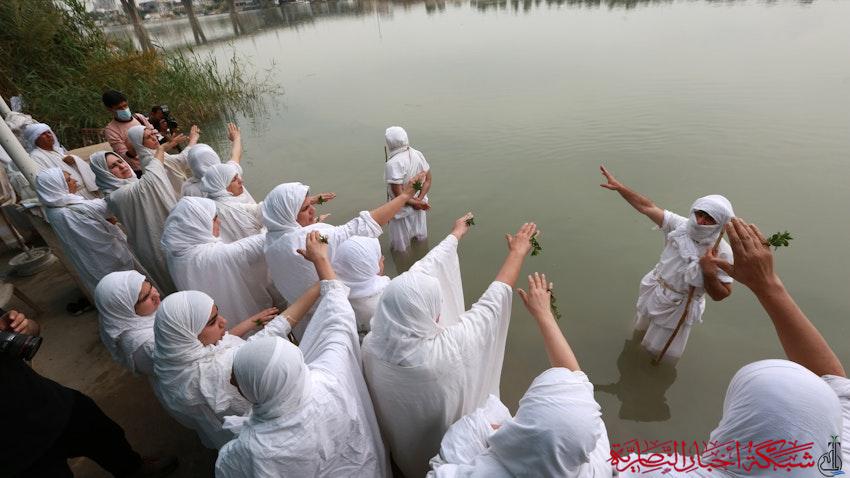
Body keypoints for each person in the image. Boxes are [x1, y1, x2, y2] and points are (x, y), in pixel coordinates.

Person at [616, 218, 849, 477]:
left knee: (659, 354)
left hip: (677, 310)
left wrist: (755, 283)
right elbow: (834, 383)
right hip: (659, 297)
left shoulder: (657, 472)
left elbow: (574, 460)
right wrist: (767, 285)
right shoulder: (837, 457)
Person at [362, 217, 536, 478]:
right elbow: (494, 301)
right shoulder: (447, 351)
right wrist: (517, 253)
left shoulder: (371, 343)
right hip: (453, 454)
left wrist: (455, 235)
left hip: (406, 454)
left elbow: (419, 273)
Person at [215, 231, 389, 477]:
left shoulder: (249, 452)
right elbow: (338, 318)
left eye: (235, 376)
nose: (231, 380)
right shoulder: (329, 381)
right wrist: (322, 262)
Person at [428, 272, 612, 477]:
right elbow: (574, 390)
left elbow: (441, 466)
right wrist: (544, 314)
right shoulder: (596, 464)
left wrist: (483, 428)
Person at [0, 310, 178, 478]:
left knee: (105, 436)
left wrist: (22, 326)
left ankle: (134, 470)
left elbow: (31, 330)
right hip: (14, 447)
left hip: (48, 401)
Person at [152, 282, 321, 448]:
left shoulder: (171, 358)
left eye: (217, 314)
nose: (224, 321)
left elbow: (218, 343)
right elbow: (269, 334)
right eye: (212, 322)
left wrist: (251, 323)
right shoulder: (218, 371)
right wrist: (318, 285)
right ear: (186, 335)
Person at [262, 171, 426, 339]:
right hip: (339, 318)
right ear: (288, 214)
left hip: (308, 321)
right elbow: (357, 227)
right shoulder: (311, 239)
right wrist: (404, 196)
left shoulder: (272, 241)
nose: (312, 210)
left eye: (311, 204)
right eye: (305, 208)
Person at [599, 165, 735, 360]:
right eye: (699, 214)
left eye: (709, 219)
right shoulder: (681, 226)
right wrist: (621, 188)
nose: (701, 221)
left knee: (656, 353)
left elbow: (722, 294)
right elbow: (647, 207)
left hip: (678, 307)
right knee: (637, 333)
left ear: (720, 223)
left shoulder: (721, 251)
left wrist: (709, 272)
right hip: (654, 289)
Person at [161, 196, 281, 325]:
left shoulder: (176, 254)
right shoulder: (210, 256)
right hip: (243, 321)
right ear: (198, 224)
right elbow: (255, 245)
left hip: (215, 325)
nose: (219, 222)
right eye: (214, 219)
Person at [89, 141, 182, 294]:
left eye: (120, 161)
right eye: (113, 166)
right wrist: (160, 149)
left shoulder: (127, 185)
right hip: (155, 247)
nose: (122, 166)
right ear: (104, 173)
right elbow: (152, 177)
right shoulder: (117, 195)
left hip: (162, 240)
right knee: (175, 283)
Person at [35, 168, 138, 297]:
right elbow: (115, 204)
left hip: (92, 261)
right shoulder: (79, 208)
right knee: (129, 288)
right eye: (68, 180)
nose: (75, 180)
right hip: (111, 256)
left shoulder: (52, 209)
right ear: (57, 186)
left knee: (114, 290)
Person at [94, 271, 160, 377]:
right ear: (126, 308)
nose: (156, 294)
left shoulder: (116, 316)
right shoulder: (147, 344)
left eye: (150, 286)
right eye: (145, 297)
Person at [331, 236, 390, 339]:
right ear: (368, 266)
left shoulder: (334, 293)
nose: (383, 258)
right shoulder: (387, 296)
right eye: (379, 258)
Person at [384, 126, 432, 252]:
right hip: (420, 207)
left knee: (401, 249)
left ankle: (403, 268)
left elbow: (398, 194)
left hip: (401, 210)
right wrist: (419, 201)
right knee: (421, 240)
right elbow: (428, 180)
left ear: (389, 143)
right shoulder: (418, 154)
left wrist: (416, 202)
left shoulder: (393, 163)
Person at [25, 123, 99, 199]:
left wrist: (75, 159)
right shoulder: (36, 157)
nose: (48, 135)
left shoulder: (58, 151)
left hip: (87, 191)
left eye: (49, 132)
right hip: (74, 195)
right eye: (43, 134)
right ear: (34, 139)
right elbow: (47, 180)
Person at [183, 123, 253, 201]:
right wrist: (236, 137)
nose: (239, 180)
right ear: (214, 157)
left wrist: (193, 139)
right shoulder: (228, 173)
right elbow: (236, 155)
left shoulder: (190, 191)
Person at [127, 124, 197, 196]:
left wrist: (172, 143)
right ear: (140, 144)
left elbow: (167, 156)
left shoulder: (149, 154)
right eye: (148, 137)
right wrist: (193, 139)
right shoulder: (150, 159)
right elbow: (181, 161)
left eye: (152, 134)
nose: (154, 138)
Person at [201, 163, 263, 243]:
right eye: (234, 179)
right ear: (222, 185)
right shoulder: (235, 209)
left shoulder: (209, 203)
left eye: (238, 177)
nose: (241, 181)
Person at [102, 90, 156, 176]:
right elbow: (123, 156)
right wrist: (139, 145)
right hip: (140, 169)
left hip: (156, 160)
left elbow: (154, 134)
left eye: (125, 106)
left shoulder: (139, 117)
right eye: (119, 108)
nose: (124, 109)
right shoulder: (111, 130)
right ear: (110, 109)